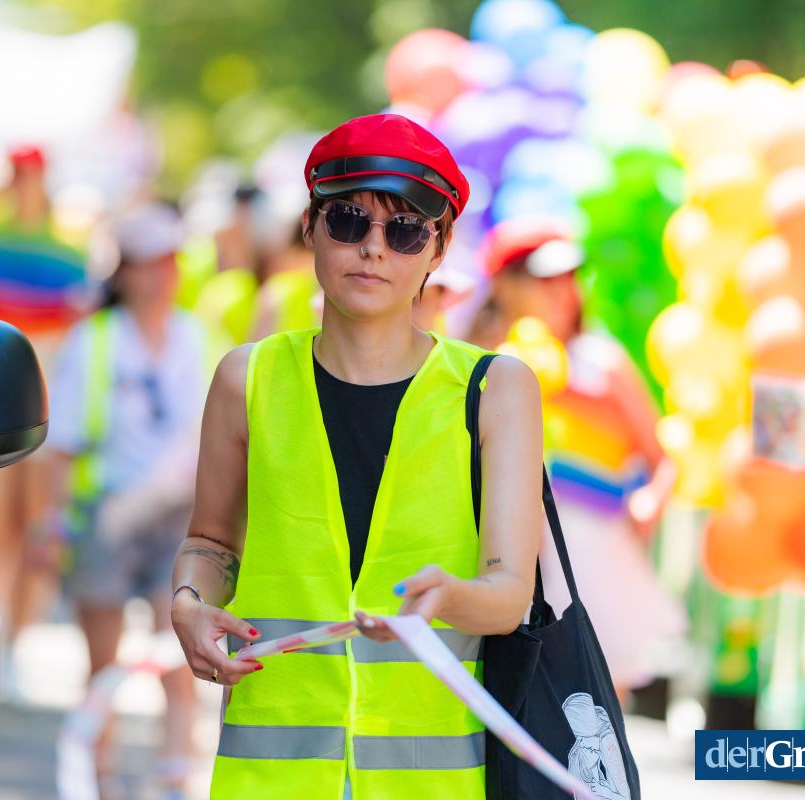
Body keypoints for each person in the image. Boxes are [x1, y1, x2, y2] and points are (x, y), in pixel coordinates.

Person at [170, 114, 544, 799]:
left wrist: (450, 597)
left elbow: (509, 594)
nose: (373, 248)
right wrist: (189, 601)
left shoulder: (496, 390)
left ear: (439, 249)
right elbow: (211, 540)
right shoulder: (246, 379)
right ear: (310, 227)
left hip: (430, 784)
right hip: (269, 779)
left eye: (405, 231)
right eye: (348, 221)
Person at [471, 219, 687, 699]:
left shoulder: (600, 361)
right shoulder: (476, 359)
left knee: (597, 702)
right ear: (503, 284)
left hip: (591, 555)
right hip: (502, 552)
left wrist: (649, 504)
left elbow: (663, 459)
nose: (561, 290)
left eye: (568, 276)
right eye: (543, 278)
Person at [42, 203, 208, 798]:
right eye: (149, 264)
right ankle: (102, 776)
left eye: (170, 262)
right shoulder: (95, 340)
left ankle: (176, 772)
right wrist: (54, 523)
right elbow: (62, 443)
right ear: (126, 272)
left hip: (178, 515)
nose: (162, 276)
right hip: (106, 514)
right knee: (103, 662)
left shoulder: (196, 335)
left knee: (182, 651)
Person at [0, 145, 90, 649]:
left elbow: (76, 333)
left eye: (30, 175)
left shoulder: (69, 248)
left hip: (45, 405)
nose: (25, 185)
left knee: (37, 528)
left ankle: (16, 638)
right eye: (18, 175)